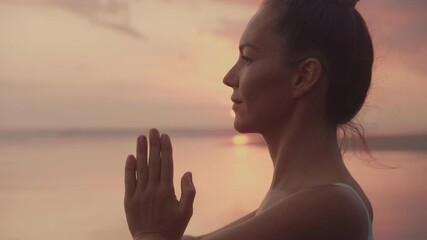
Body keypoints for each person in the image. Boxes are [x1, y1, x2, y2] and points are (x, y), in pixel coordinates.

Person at [123, 0, 375, 239]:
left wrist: (149, 232)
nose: (229, 77)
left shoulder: (334, 207)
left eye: (247, 58)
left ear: (303, 77)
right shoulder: (296, 197)